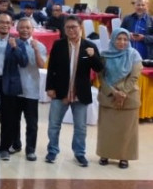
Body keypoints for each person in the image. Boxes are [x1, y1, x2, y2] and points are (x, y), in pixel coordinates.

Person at [45, 15, 104, 167]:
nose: (71, 30)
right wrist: (49, 87)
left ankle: (79, 153)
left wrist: (93, 56)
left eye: (74, 27)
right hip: (59, 91)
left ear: (80, 28)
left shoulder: (89, 46)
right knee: (54, 124)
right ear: (64, 29)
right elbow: (51, 68)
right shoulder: (58, 45)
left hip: (81, 93)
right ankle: (52, 150)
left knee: (80, 127)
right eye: (68, 27)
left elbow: (99, 68)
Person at [0, 14, 27, 161]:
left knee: (8, 119)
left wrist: (15, 48)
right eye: (1, 22)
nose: (4, 25)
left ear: (11, 25)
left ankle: (4, 148)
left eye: (7, 23)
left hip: (10, 85)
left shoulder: (18, 42)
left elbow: (24, 62)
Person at [97, 28, 142, 169]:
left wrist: (122, 92)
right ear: (113, 39)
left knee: (126, 131)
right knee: (107, 129)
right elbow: (101, 77)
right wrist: (113, 92)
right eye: (119, 38)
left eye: (125, 39)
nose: (122, 42)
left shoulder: (134, 55)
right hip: (108, 96)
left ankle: (124, 157)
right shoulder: (104, 55)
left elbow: (134, 77)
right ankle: (105, 154)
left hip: (128, 97)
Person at [13, 17, 47, 162]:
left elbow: (41, 65)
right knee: (14, 121)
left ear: (32, 30)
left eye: (28, 27)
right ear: (17, 29)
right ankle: (15, 145)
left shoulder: (39, 45)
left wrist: (36, 49)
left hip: (31, 90)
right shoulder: (13, 43)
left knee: (31, 123)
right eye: (22, 27)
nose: (25, 30)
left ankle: (31, 150)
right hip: (15, 89)